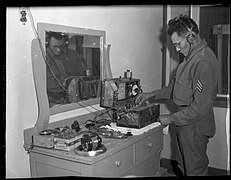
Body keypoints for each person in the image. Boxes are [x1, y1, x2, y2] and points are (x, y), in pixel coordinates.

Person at [135, 14, 219, 176]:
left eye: (178, 44)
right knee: (182, 165)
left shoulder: (203, 61)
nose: (177, 49)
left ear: (191, 37)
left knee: (195, 170)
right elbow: (174, 88)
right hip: (185, 121)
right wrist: (150, 94)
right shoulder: (189, 58)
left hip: (195, 125)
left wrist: (170, 118)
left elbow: (200, 108)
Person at [46, 31, 87, 106]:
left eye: (61, 46)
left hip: (73, 99)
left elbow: (83, 77)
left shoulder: (73, 55)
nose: (58, 50)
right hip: (52, 103)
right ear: (48, 43)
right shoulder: (43, 58)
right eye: (55, 46)